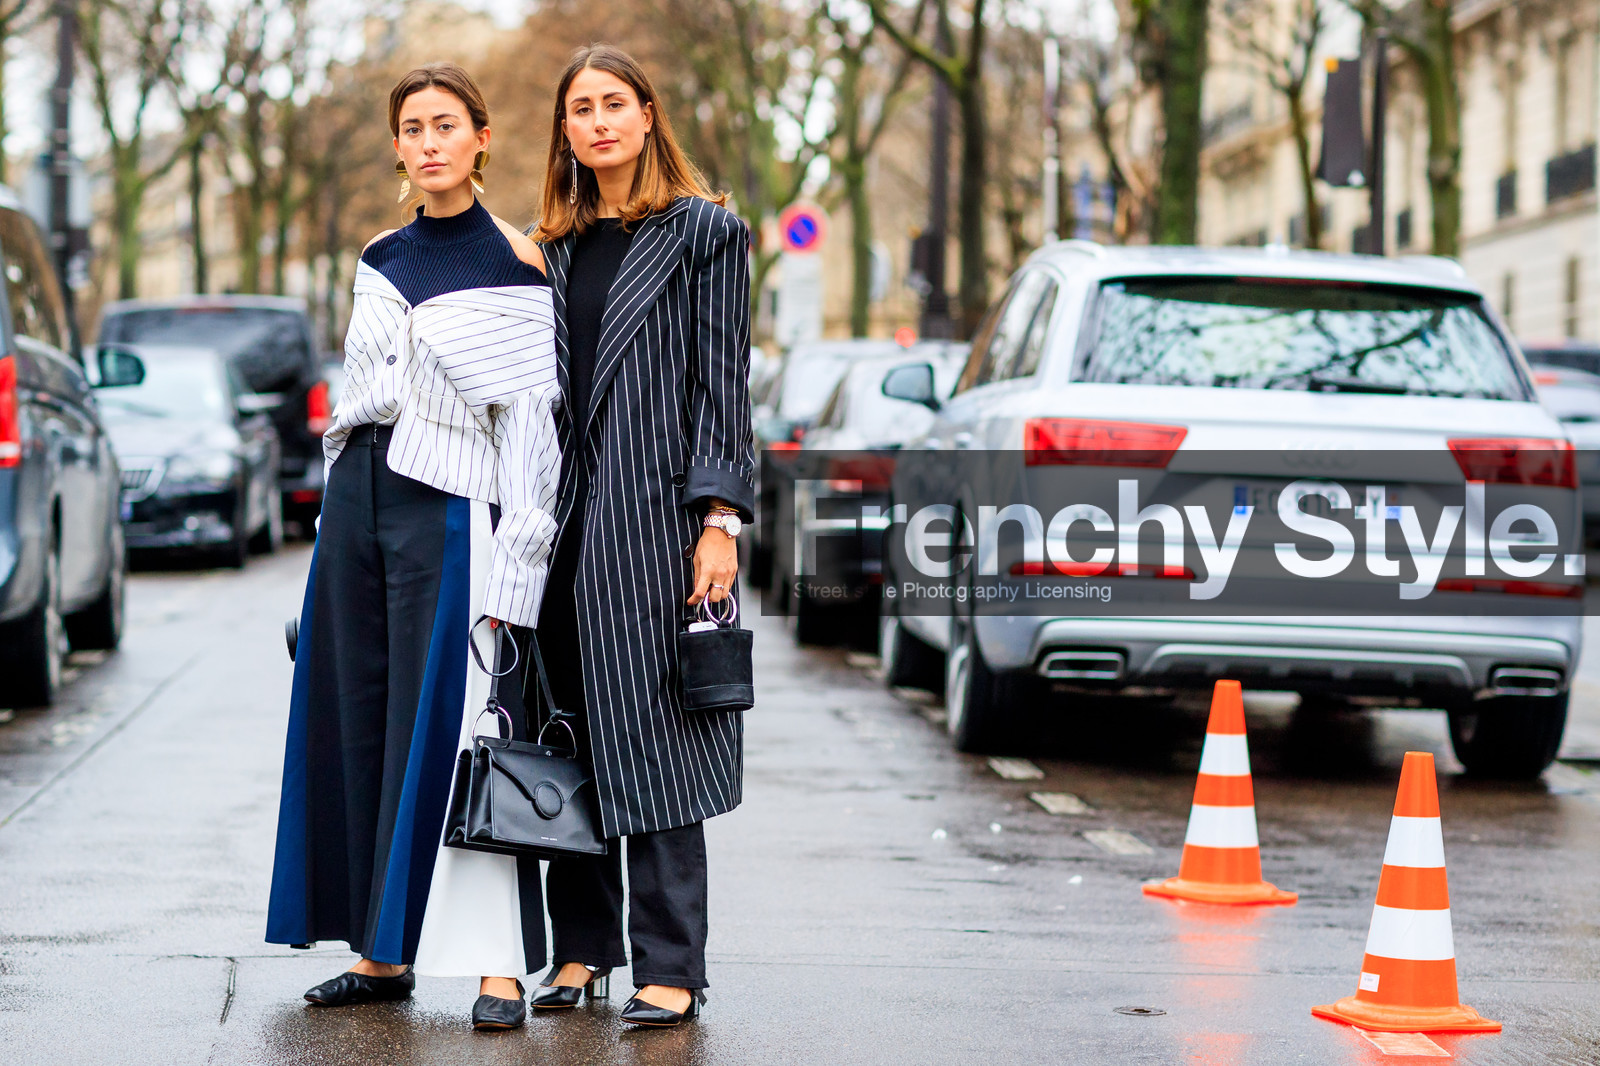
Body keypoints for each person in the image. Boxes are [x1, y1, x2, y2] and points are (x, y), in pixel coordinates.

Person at [265, 62, 561, 1033]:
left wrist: (516, 579)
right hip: (357, 501)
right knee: (357, 721)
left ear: (481, 137)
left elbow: (530, 439)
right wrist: (320, 547)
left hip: (452, 509)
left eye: (446, 124)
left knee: (463, 725)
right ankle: (380, 951)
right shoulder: (378, 255)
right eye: (411, 127)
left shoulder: (520, 264)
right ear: (397, 148)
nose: (428, 141)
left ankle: (497, 969)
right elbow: (354, 409)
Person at [528, 44, 753, 1029]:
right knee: (563, 738)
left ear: (649, 115)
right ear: (565, 131)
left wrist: (719, 520)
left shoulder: (704, 233)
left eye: (614, 103)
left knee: (658, 745)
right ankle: (579, 950)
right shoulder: (554, 246)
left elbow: (721, 383)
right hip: (558, 530)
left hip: (654, 525)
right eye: (580, 109)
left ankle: (672, 964)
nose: (598, 122)